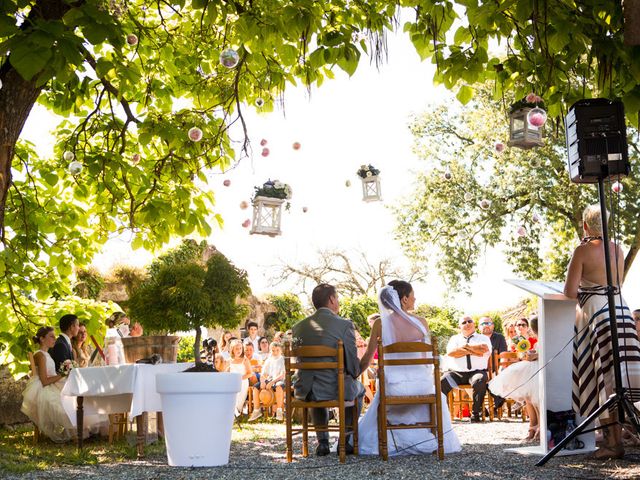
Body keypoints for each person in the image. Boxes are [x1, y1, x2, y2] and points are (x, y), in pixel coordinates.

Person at [564, 204, 640, 460]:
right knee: (619, 379)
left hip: (598, 315)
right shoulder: (617, 248)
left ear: (586, 225)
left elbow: (569, 292)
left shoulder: (582, 251)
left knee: (604, 379)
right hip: (621, 312)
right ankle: (618, 437)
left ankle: (612, 443)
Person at [357, 281, 461, 456]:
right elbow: (427, 360)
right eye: (413, 295)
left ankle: (388, 440)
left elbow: (368, 356)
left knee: (381, 393)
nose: (415, 298)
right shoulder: (421, 323)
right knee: (437, 392)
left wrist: (354, 373)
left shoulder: (379, 324)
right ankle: (430, 438)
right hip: (422, 387)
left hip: (393, 388)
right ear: (404, 299)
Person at [292, 283, 363, 456]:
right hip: (334, 389)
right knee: (359, 389)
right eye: (337, 297)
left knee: (316, 385)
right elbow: (354, 369)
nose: (337, 301)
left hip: (305, 389)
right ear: (332, 299)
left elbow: (298, 361)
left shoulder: (298, 327)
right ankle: (343, 441)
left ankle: (322, 442)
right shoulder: (345, 325)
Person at [488, 316, 541, 440]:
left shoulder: (536, 340)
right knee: (528, 395)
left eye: (524, 325)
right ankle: (532, 426)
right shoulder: (515, 341)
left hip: (535, 367)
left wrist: (531, 354)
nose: (520, 327)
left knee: (533, 395)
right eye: (519, 325)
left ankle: (539, 426)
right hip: (527, 366)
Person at [22, 326, 75, 442]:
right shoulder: (40, 355)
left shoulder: (47, 354)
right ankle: (76, 432)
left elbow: (51, 374)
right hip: (43, 387)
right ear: (42, 339)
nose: (54, 339)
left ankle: (79, 429)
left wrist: (63, 372)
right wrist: (62, 375)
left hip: (51, 384)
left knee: (73, 397)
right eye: (51, 336)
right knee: (64, 405)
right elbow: (45, 381)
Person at [440, 316, 492, 422]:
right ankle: (444, 414)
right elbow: (451, 353)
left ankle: (475, 413)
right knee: (442, 382)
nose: (467, 323)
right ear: (459, 326)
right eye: (464, 322)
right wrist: (474, 349)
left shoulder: (483, 338)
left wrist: (465, 348)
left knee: (480, 380)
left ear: (474, 324)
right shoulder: (454, 339)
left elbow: (484, 350)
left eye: (470, 321)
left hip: (476, 372)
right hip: (456, 373)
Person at [249, 342, 286, 421]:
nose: (275, 352)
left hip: (278, 379)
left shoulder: (282, 359)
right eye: (273, 350)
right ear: (270, 351)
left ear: (281, 351)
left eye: (277, 350)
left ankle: (279, 410)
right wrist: (262, 381)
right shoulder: (269, 360)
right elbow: (263, 373)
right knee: (255, 387)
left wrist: (272, 382)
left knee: (279, 386)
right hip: (269, 380)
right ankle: (256, 410)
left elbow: (282, 375)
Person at [479, 316, 507, 413]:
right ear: (479, 327)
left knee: (494, 378)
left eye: (489, 323)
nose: (486, 326)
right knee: (476, 380)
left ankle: (492, 407)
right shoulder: (476, 339)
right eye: (483, 324)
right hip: (480, 370)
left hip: (496, 370)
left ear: (493, 326)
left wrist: (501, 369)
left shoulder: (500, 337)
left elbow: (503, 354)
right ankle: (487, 407)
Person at [226, 339, 252, 417]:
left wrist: (239, 378)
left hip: (242, 381)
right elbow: (226, 373)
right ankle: (232, 412)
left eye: (240, 348)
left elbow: (250, 373)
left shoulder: (245, 360)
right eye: (237, 349)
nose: (239, 350)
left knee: (239, 394)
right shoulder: (229, 361)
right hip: (232, 382)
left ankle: (237, 411)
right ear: (232, 350)